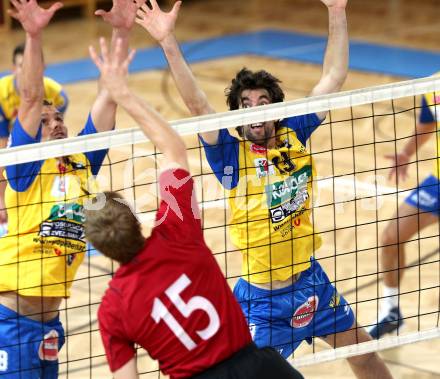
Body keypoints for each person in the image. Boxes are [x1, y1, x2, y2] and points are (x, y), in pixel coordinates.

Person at [135, 1, 393, 378]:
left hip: (311, 282)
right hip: (262, 302)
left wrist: (337, 10)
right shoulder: (228, 154)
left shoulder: (295, 133)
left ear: (275, 108)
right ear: (237, 113)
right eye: (245, 104)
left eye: (262, 101)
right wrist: (168, 41)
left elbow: (334, 77)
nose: (254, 110)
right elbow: (197, 104)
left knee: (365, 353)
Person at [85, 37, 305, 379]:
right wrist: (121, 92)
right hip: (256, 368)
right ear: (135, 216)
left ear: (100, 249)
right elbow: (174, 148)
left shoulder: (112, 309)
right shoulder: (176, 232)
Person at [0, 0, 140, 377]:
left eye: (58, 116)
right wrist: (33, 35)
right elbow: (29, 97)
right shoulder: (24, 166)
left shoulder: (81, 162)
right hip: (10, 324)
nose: (55, 122)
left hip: (48, 325)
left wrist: (122, 32)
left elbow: (109, 94)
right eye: (44, 121)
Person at [368, 73, 440, 339]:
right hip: (439, 183)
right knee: (390, 237)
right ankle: (392, 311)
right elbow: (426, 126)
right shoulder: (434, 84)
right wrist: (406, 154)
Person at [0, 43, 69, 226]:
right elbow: (4, 146)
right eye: (23, 66)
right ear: (13, 69)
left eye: (35, 66)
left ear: (43, 68)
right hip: (6, 131)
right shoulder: (1, 93)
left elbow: (54, 131)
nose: (29, 72)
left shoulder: (57, 94)